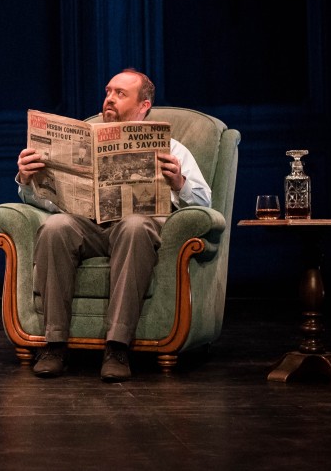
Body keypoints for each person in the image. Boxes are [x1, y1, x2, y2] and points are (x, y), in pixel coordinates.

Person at [16, 68, 210, 381]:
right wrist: (27, 180)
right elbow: (49, 203)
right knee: (55, 228)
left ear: (144, 105)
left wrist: (179, 182)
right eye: (108, 92)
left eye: (120, 93)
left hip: (136, 231)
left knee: (134, 226)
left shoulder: (171, 148)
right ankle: (54, 345)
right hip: (89, 227)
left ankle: (117, 347)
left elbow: (205, 204)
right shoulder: (81, 141)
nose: (109, 99)